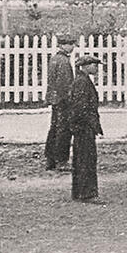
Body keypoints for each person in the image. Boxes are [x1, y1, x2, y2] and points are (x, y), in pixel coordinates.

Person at [67, 56, 105, 203]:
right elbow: (81, 107)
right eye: (93, 65)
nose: (96, 68)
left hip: (81, 126)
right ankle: (87, 193)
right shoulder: (82, 83)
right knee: (86, 160)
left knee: (81, 160)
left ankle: (79, 192)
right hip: (84, 127)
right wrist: (90, 123)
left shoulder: (81, 81)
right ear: (85, 66)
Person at [45, 35, 77, 172]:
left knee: (54, 128)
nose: (73, 47)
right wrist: (70, 100)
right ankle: (61, 161)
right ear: (63, 45)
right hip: (63, 100)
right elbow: (65, 84)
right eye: (70, 44)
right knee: (64, 130)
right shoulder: (64, 61)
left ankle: (50, 159)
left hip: (55, 99)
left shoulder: (54, 59)